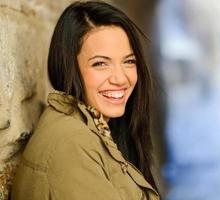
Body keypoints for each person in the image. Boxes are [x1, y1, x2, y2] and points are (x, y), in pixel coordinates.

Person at [11, 1, 160, 199]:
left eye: (129, 61)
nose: (121, 78)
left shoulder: (96, 128)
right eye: (100, 64)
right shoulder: (71, 146)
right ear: (69, 67)